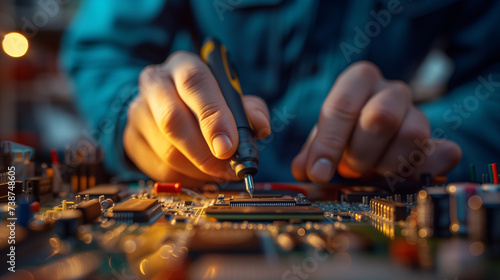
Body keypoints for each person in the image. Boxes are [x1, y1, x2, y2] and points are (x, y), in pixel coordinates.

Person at [61, 0, 500, 187]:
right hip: (204, 183)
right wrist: (132, 119)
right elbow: (103, 49)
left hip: (376, 193)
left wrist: (423, 140)